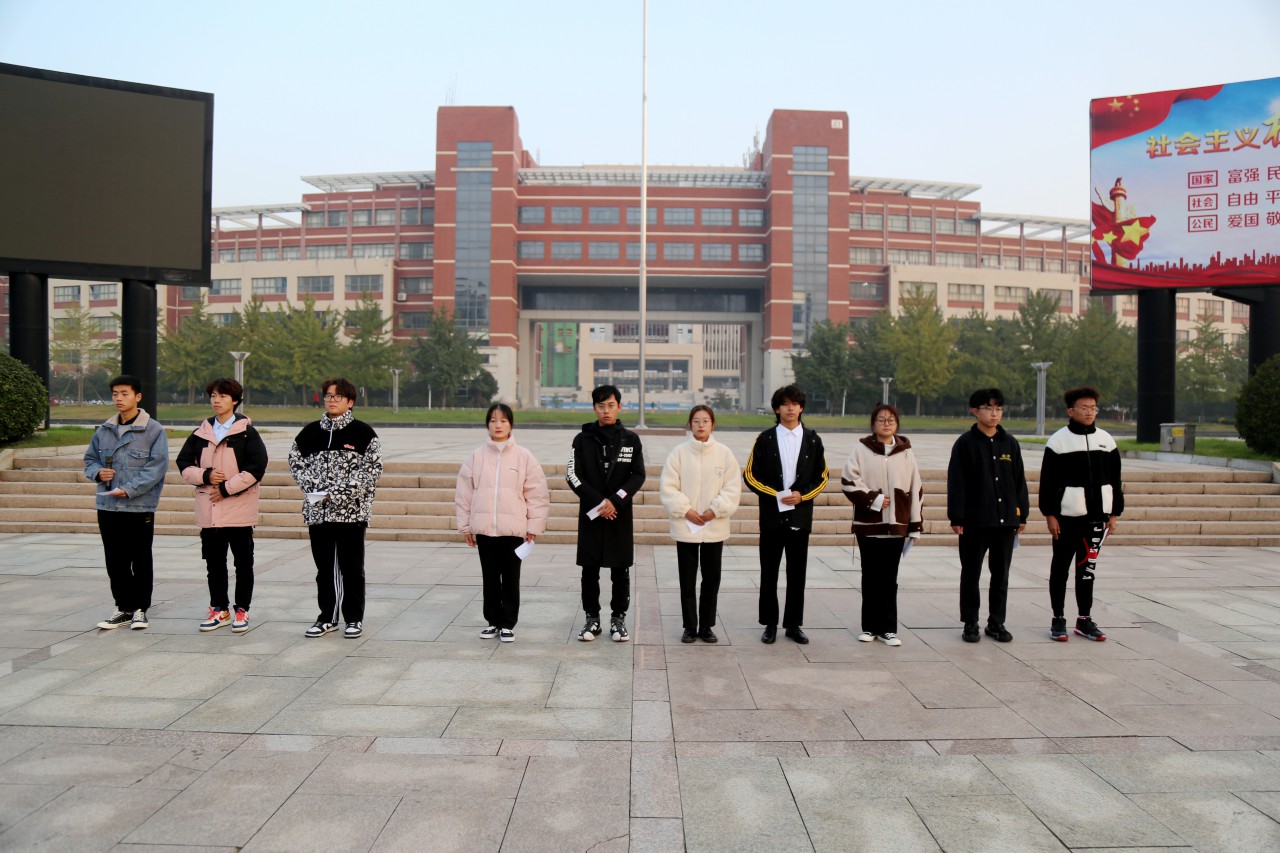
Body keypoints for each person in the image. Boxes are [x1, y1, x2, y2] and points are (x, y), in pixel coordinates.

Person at [288, 378, 383, 639]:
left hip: (351, 513)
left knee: (352, 568)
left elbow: (372, 470)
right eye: (328, 396)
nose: (332, 400)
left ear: (350, 402)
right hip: (318, 512)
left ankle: (353, 618)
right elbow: (296, 463)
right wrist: (317, 489)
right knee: (324, 569)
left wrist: (337, 493)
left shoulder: (364, 433)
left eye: (338, 396)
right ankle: (327, 617)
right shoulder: (309, 433)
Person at [176, 378, 268, 634]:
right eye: (213, 396)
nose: (216, 401)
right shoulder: (200, 433)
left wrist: (227, 488)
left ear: (235, 400)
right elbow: (184, 464)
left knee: (243, 564)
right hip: (210, 512)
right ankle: (219, 609)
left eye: (223, 396)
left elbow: (257, 467)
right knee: (214, 564)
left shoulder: (246, 432)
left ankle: (242, 610)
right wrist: (205, 475)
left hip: (239, 510)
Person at [455, 403, 550, 643]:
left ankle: (507, 623)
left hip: (513, 531)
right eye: (493, 420)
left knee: (510, 578)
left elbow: (537, 494)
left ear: (511, 424)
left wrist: (533, 527)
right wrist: (466, 526)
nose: (498, 425)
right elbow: (464, 494)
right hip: (485, 529)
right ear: (487, 424)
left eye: (503, 421)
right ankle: (492, 621)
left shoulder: (524, 456)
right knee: (489, 578)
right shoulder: (476, 457)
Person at [744, 384, 829, 645]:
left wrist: (803, 495)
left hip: (800, 516)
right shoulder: (765, 438)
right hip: (772, 517)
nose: (790, 408)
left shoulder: (813, 440)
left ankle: (793, 624)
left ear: (801, 408)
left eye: (795, 403)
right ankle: (770, 624)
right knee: (769, 572)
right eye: (785, 404)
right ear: (776, 408)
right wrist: (776, 495)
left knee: (797, 573)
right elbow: (750, 475)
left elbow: (822, 477)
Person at [83, 375, 169, 630]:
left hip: (139, 506)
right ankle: (123, 607)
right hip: (108, 506)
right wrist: (98, 473)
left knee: (140, 558)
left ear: (138, 397)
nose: (119, 399)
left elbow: (157, 467)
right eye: (115, 394)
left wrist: (129, 489)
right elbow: (90, 460)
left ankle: (140, 609)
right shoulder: (104, 430)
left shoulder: (153, 430)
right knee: (115, 559)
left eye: (124, 394)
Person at [1039, 386, 1124, 642]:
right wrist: (1050, 514)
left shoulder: (1106, 441)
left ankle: (1084, 620)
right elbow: (1047, 482)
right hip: (1066, 519)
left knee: (1087, 570)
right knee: (1060, 569)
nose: (1089, 412)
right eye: (1084, 408)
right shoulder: (1058, 441)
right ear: (1070, 410)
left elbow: (1115, 479)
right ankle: (1058, 619)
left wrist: (1114, 513)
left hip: (1096, 518)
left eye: (1093, 408)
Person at [947, 388, 1029, 643]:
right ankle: (970, 622)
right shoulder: (965, 444)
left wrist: (1022, 515)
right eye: (989, 408)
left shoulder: (1010, 443)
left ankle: (996, 622)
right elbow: (956, 482)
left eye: (999, 408)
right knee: (971, 573)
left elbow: (1019, 481)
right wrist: (957, 517)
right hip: (974, 521)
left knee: (1001, 574)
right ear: (975, 411)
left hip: (1005, 521)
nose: (994, 414)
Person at [567, 384, 646, 642]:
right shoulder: (582, 439)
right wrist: (599, 502)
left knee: (620, 569)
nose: (606, 411)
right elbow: (572, 475)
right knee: (589, 569)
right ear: (594, 408)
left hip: (618, 515)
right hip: (592, 514)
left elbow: (638, 475)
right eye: (601, 406)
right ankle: (592, 619)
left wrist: (615, 501)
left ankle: (618, 619)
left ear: (619, 406)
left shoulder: (631, 439)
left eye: (611, 405)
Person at [840, 403, 922, 646]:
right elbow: (848, 480)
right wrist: (873, 499)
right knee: (870, 577)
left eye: (891, 420)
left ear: (897, 424)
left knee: (889, 578)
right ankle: (869, 627)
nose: (886, 423)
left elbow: (915, 488)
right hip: (869, 526)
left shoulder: (906, 452)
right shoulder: (861, 449)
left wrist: (914, 525)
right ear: (873, 424)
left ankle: (888, 629)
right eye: (881, 420)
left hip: (896, 526)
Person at [659, 405, 741, 643]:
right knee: (687, 579)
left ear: (713, 424)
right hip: (687, 526)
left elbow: (732, 487)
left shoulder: (724, 454)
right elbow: (668, 487)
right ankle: (689, 626)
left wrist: (715, 510)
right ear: (690, 424)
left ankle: (706, 626)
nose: (701, 425)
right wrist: (687, 510)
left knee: (711, 579)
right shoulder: (679, 453)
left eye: (705, 421)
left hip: (714, 526)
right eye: (696, 421)